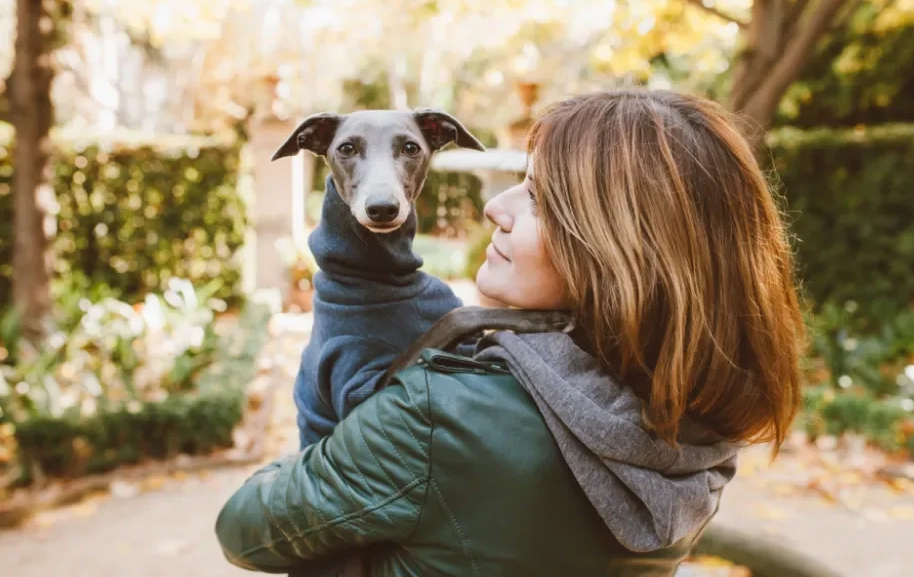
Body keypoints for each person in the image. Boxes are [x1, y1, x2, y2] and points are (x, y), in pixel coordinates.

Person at [215, 90, 805, 576]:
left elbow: (243, 529)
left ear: (621, 254)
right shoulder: (702, 424)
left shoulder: (439, 410)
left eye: (539, 198)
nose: (497, 206)